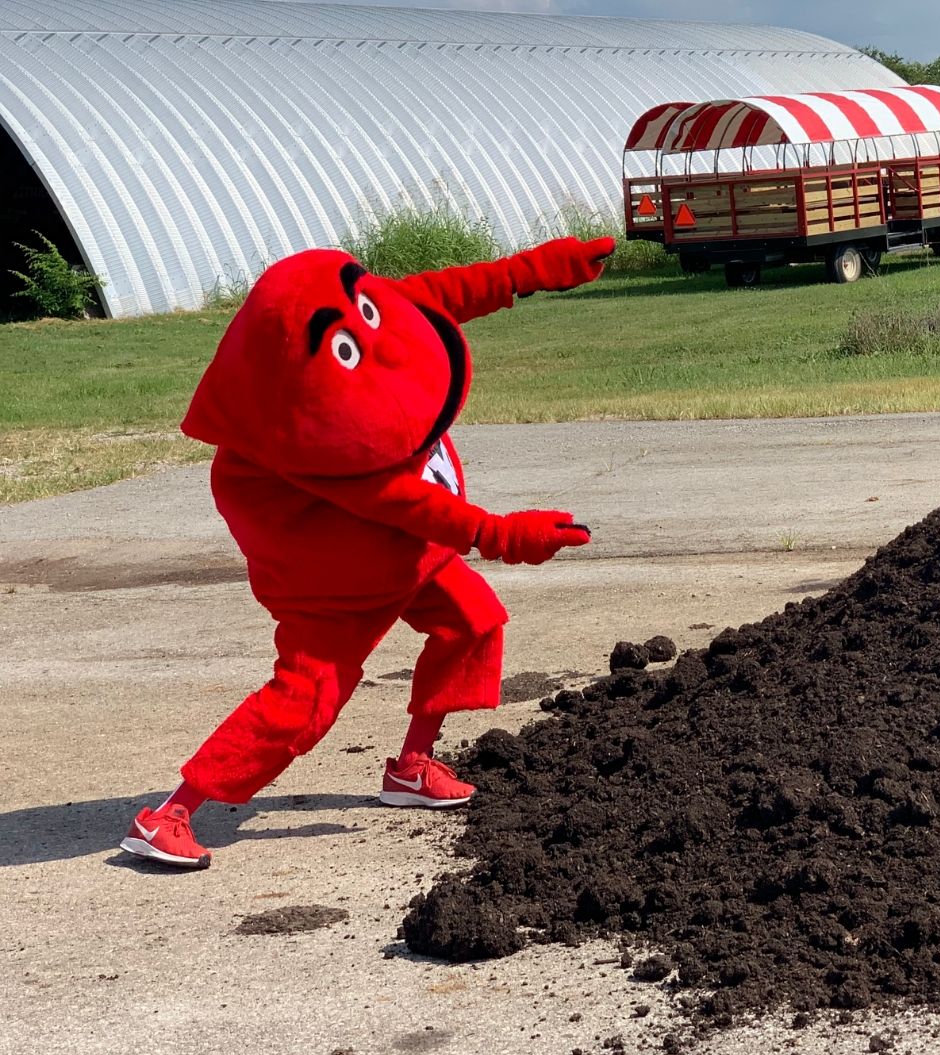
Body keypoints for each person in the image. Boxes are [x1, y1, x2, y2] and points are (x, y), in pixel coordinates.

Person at [120, 236, 613, 869]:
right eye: (346, 347)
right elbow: (399, 499)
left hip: (406, 556)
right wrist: (500, 534)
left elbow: (435, 296)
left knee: (472, 623)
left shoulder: (361, 308)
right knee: (303, 703)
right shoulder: (302, 436)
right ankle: (170, 815)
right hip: (338, 583)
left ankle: (412, 766)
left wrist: (532, 272)